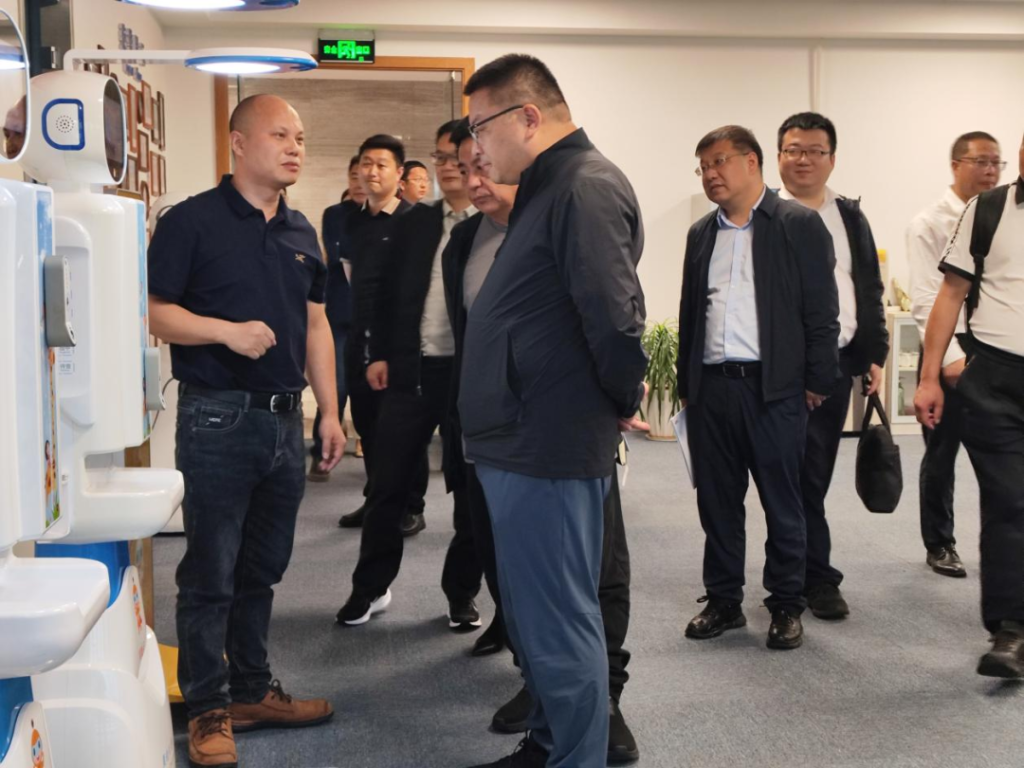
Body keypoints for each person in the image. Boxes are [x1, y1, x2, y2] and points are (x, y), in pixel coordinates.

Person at [460, 54, 648, 768]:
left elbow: (615, 318)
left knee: (561, 621)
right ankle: (547, 744)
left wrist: (618, 399)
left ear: (529, 117)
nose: (476, 147)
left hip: (548, 441)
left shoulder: (583, 186)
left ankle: (575, 757)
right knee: (536, 619)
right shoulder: (548, 187)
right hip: (519, 436)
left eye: (481, 127)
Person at [148, 94, 344, 768]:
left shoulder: (302, 230)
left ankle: (251, 691)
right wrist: (224, 333)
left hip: (285, 421)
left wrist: (330, 410)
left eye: (301, 137)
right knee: (211, 571)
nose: (295, 148)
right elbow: (154, 312)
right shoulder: (191, 221)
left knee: (261, 568)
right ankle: (208, 708)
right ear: (238, 143)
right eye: (280, 135)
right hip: (217, 417)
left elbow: (316, 325)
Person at [678, 125, 839, 652]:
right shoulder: (701, 233)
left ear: (751, 162)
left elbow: (822, 313)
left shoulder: (797, 224)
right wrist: (686, 385)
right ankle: (723, 600)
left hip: (774, 390)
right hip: (713, 390)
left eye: (719, 161)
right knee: (718, 503)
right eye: (703, 166)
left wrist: (817, 381)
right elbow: (690, 312)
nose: (710, 174)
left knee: (782, 502)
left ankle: (787, 603)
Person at [335, 120, 483, 628]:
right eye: (440, 157)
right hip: (411, 372)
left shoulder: (492, 221)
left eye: (456, 156)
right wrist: (379, 354)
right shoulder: (415, 222)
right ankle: (370, 588)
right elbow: (383, 293)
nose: (447, 166)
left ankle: (462, 593)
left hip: (469, 378)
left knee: (470, 494)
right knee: (387, 486)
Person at [915, 132, 1024, 677]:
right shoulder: (988, 209)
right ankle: (1010, 631)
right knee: (1009, 503)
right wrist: (929, 377)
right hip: (996, 380)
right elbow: (950, 295)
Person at [776, 112, 889, 620]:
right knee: (785, 476)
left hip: (836, 363)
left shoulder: (849, 216)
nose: (803, 159)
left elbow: (868, 288)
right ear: (778, 156)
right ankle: (799, 576)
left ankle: (811, 576)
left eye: (814, 151)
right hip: (777, 369)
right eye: (794, 149)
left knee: (815, 473)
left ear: (832, 159)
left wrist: (874, 353)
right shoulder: (763, 213)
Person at [908, 131, 1003, 578]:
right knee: (941, 455)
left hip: (996, 353)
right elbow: (929, 298)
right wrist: (945, 363)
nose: (990, 171)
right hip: (950, 352)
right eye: (981, 161)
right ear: (955, 165)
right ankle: (940, 543)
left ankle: (1002, 545)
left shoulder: (1004, 217)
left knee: (1001, 457)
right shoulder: (928, 223)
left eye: (996, 162)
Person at [336, 135, 430, 533]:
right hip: (359, 342)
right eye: (366, 164)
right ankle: (377, 500)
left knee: (404, 430)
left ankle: (411, 506)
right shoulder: (352, 221)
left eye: (381, 165)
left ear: (399, 173)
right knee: (368, 425)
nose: (371, 172)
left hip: (400, 349)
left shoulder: (416, 221)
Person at [308, 156, 362, 482]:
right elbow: (337, 250)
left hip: (376, 321)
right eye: (353, 175)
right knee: (335, 387)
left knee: (373, 393)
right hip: (339, 313)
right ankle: (321, 452)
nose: (359, 181)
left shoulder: (394, 216)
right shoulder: (335, 214)